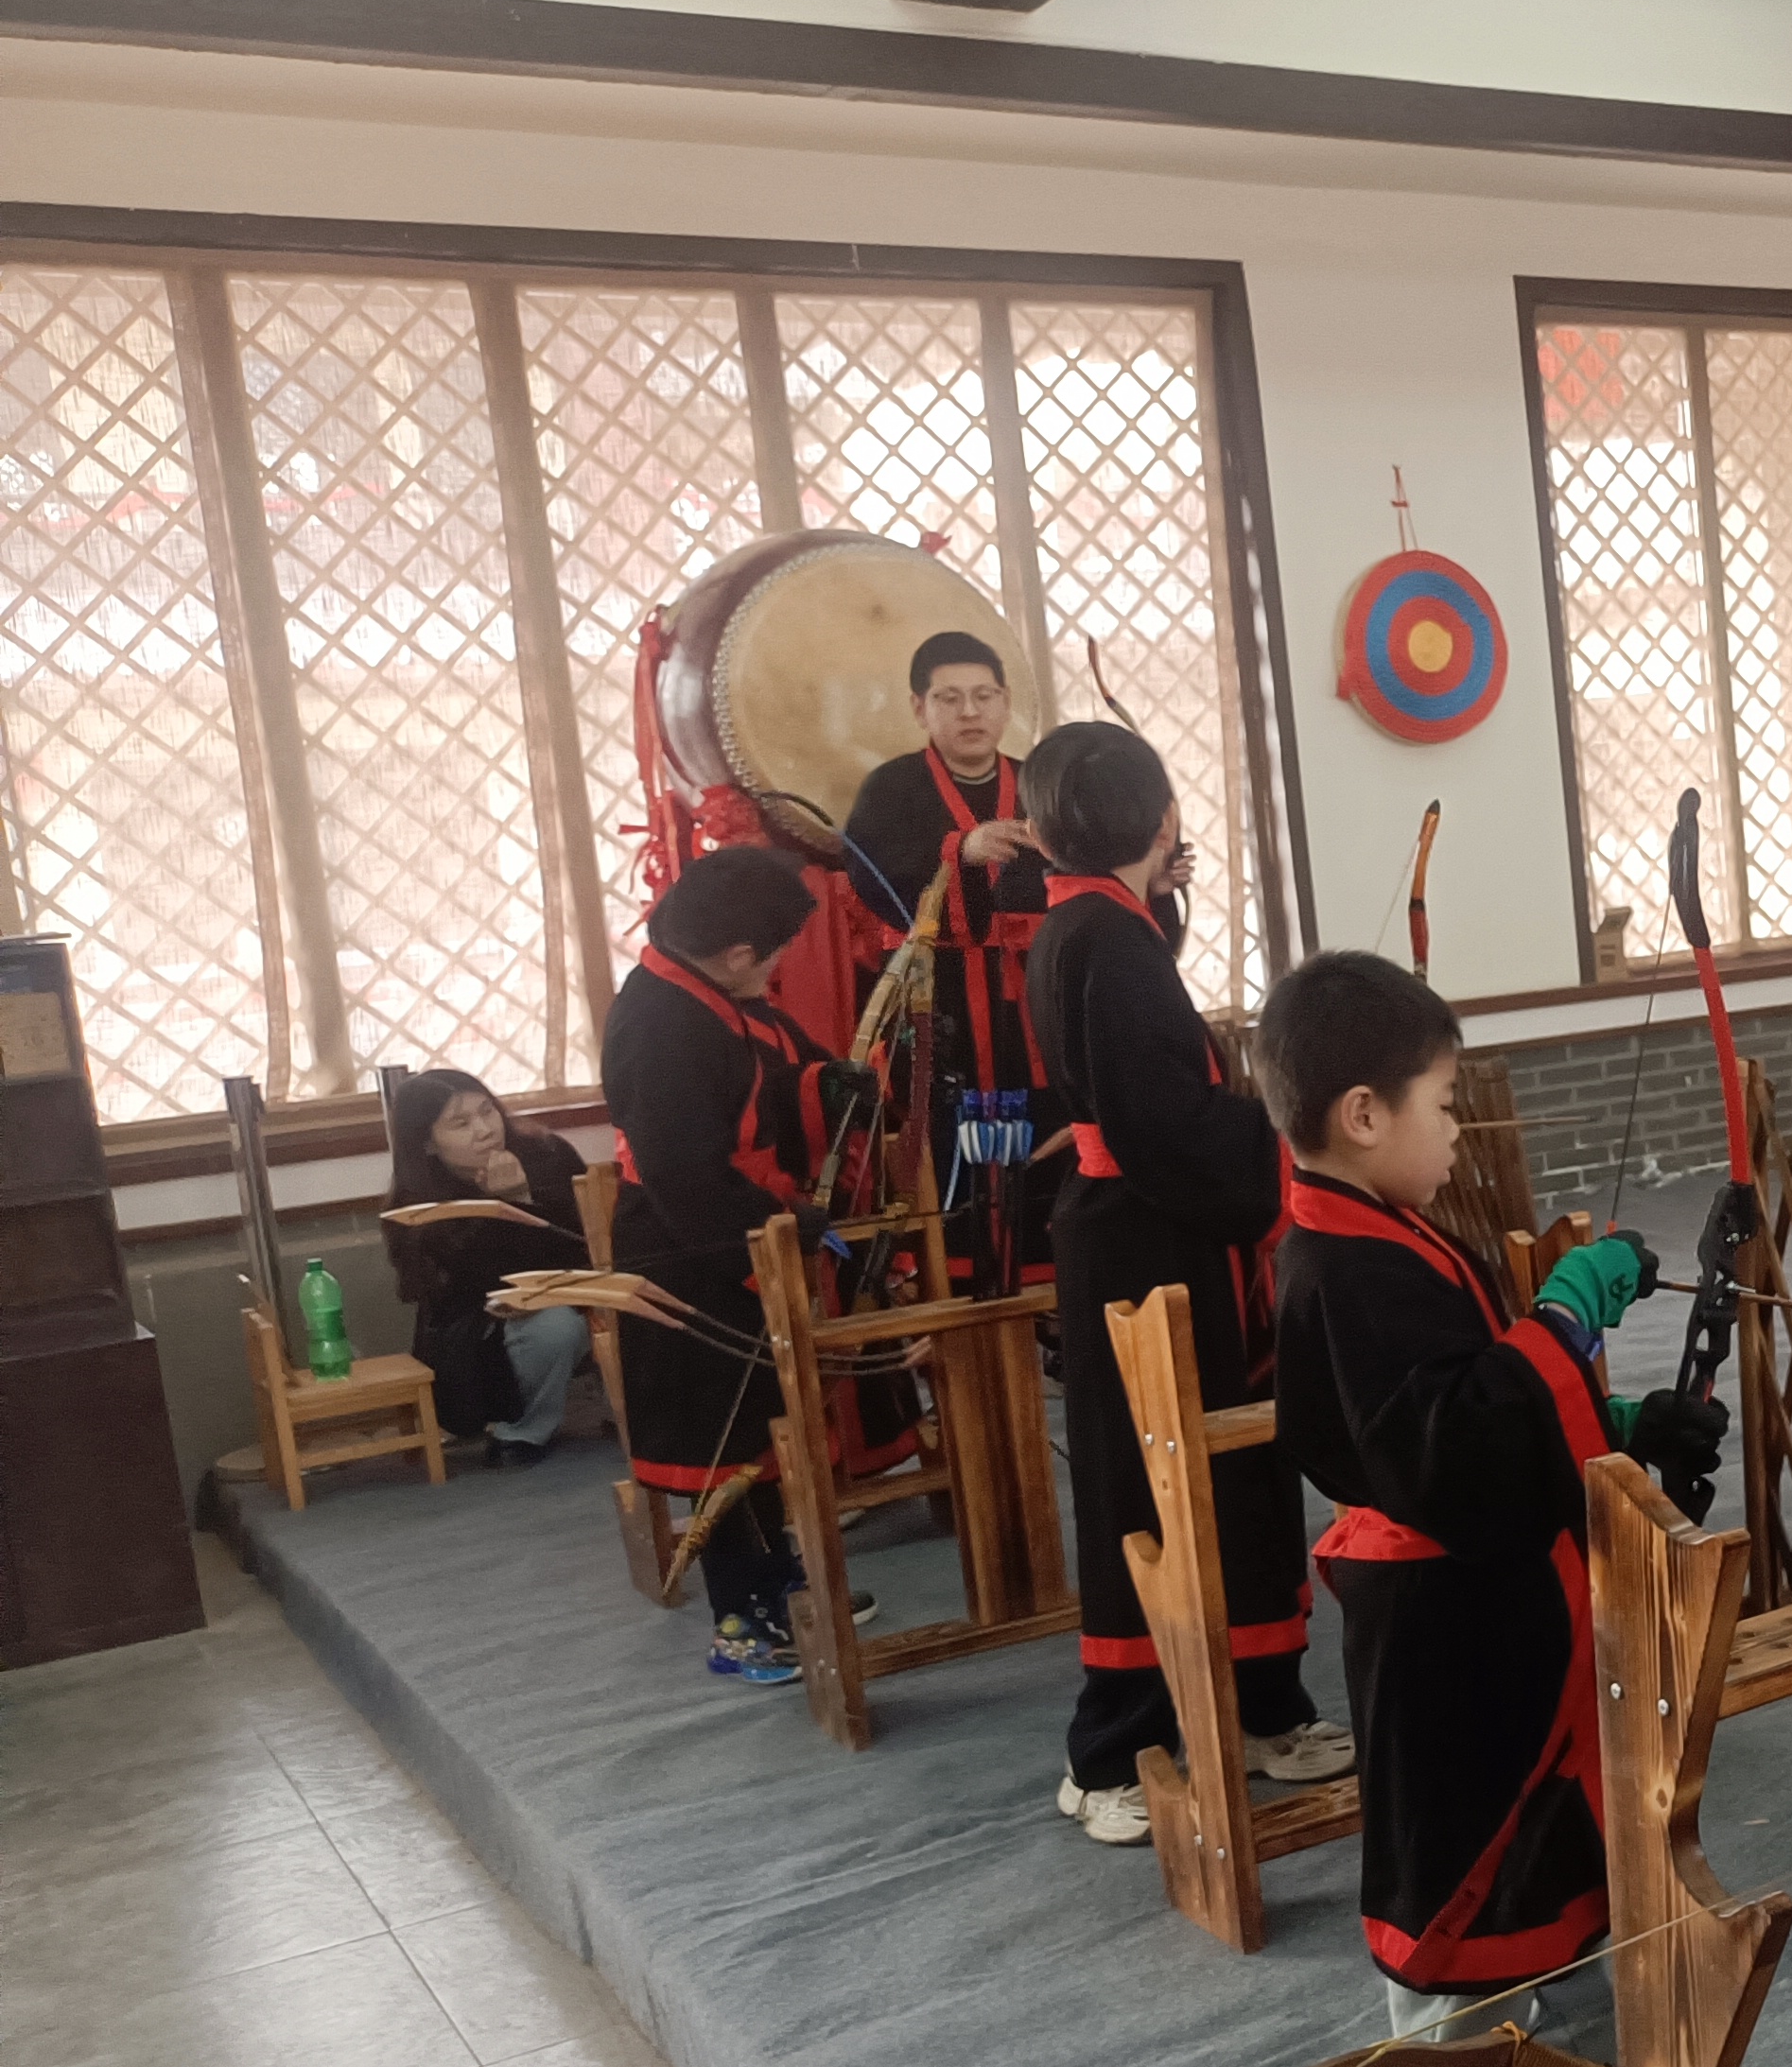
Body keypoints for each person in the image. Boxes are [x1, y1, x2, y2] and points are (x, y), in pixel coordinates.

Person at [1259, 947, 1726, 2067]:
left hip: (1496, 1600)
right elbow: (1444, 1444)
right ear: (1363, 1114)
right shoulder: (1340, 1264)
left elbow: (1463, 1407)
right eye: (1446, 1105)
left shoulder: (1384, 1232)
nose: (1459, 1132)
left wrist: (1617, 1421)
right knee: (1455, 1885)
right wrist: (1567, 1321)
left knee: (1555, 1846)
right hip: (1435, 1633)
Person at [1020, 721, 1349, 1845]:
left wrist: (1165, 896)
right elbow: (1158, 1119)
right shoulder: (1101, 939)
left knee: (1234, 1472)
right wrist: (1279, 1135)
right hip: (1148, 1245)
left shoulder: (1095, 920)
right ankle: (1113, 1749)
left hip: (1160, 1234)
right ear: (1160, 816)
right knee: (1146, 1486)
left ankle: (1262, 1707)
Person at [603, 846, 890, 1683]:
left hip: (742, 1232)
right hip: (691, 1258)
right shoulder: (659, 1024)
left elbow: (788, 1063)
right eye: (773, 954)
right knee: (722, 1448)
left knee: (767, 1432)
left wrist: (832, 1086)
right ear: (735, 954)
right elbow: (685, 1177)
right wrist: (781, 1225)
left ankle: (778, 1581)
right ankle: (738, 1621)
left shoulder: (719, 992)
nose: (777, 968)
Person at [841, 630, 1188, 1294]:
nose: (969, 712)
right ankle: (962, 1294)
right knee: (953, 1154)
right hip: (944, 1015)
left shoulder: (1042, 784)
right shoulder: (891, 790)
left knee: (1058, 1137)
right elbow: (873, 888)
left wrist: (1153, 884)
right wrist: (959, 853)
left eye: (984, 696)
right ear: (919, 708)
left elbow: (1099, 881)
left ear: (1005, 703)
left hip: (1040, 1006)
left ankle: (1068, 1289)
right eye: (950, 698)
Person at [378, 1069, 592, 1465]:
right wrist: (511, 1206)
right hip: (484, 1333)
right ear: (427, 1142)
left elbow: (588, 1241)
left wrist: (526, 1198)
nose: (485, 1130)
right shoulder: (416, 1204)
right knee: (553, 1326)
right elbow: (472, 1289)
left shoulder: (548, 1154)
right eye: (461, 1123)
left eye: (487, 1111)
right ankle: (523, 1431)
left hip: (581, 1292)